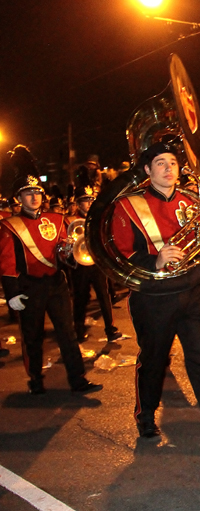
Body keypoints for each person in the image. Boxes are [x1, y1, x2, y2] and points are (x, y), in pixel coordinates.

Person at [111, 141, 200, 452]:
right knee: (155, 359)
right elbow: (119, 253)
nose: (169, 168)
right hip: (153, 297)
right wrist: (153, 260)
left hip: (192, 292)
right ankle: (145, 416)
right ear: (147, 170)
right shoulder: (127, 206)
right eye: (160, 163)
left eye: (172, 162)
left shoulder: (194, 203)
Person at [0, 145, 102, 395]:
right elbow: (7, 261)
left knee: (67, 333)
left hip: (56, 283)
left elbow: (63, 254)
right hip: (29, 286)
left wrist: (69, 253)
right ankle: (35, 378)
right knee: (32, 336)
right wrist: (12, 293)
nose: (34, 197)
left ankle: (78, 379)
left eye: (37, 192)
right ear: (18, 198)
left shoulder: (56, 220)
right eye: (28, 193)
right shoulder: (10, 225)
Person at [67, 183, 120, 342]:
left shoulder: (98, 218)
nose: (89, 203)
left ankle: (110, 329)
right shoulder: (70, 221)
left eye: (91, 199)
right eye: (85, 200)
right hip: (79, 265)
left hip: (96, 262)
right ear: (77, 203)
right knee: (80, 298)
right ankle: (79, 328)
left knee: (104, 296)